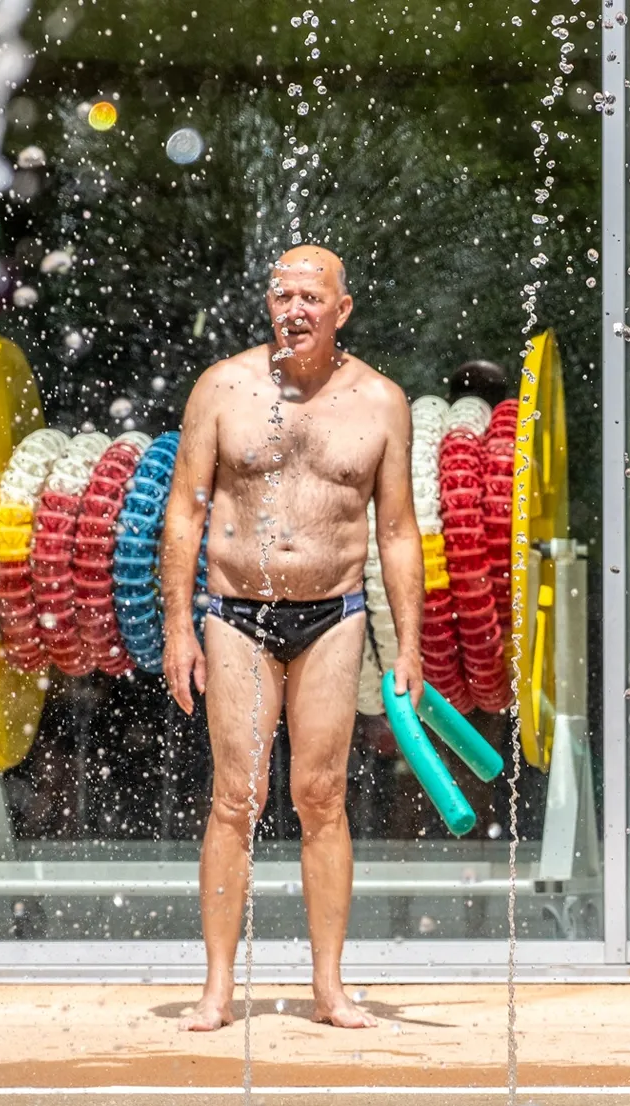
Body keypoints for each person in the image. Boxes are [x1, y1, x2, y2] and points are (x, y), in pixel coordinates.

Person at [161, 245, 424, 1032]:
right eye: (284, 296)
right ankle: (217, 987)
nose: (296, 310)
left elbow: (398, 531)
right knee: (235, 797)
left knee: (322, 797)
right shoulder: (222, 387)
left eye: (312, 297)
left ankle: (329, 986)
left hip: (333, 615)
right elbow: (184, 512)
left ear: (343, 309)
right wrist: (177, 626)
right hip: (235, 612)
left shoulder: (381, 401)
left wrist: (409, 645)